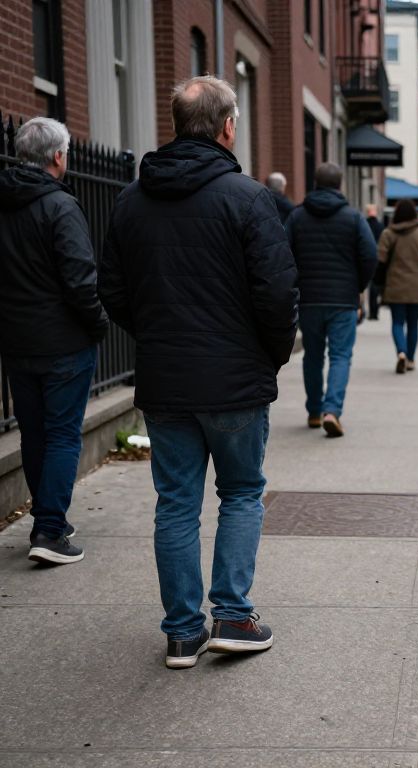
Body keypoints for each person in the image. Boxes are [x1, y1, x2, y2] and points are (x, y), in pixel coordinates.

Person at [99, 76, 298, 669]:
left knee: (176, 502)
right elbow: (278, 292)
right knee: (240, 492)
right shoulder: (247, 197)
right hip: (234, 379)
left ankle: (183, 632)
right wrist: (271, 354)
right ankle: (233, 616)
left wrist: (158, 337)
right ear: (226, 127)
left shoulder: (131, 201)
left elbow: (113, 290)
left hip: (168, 378)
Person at [0, 117, 108, 565]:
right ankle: (49, 529)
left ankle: (51, 521)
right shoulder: (60, 207)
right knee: (63, 434)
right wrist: (99, 322)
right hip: (64, 341)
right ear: (59, 156)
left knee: (35, 433)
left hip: (16, 340)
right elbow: (81, 279)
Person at [285, 162, 377, 437]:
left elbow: (282, 254)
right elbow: (370, 256)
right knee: (340, 356)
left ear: (315, 183)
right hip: (343, 300)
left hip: (309, 299)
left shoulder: (297, 217)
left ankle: (314, 411)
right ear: (340, 185)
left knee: (312, 356)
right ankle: (332, 411)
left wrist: (295, 287)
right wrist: (359, 287)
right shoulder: (353, 218)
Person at [377, 199, 418, 374]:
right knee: (413, 324)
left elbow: (380, 260)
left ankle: (401, 352)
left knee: (397, 322)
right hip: (416, 285)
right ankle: (410, 359)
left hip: (395, 285)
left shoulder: (388, 234)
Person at [364, 204, 385, 320]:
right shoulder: (381, 226)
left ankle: (370, 311)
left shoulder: (364, 224)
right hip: (378, 259)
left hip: (366, 258)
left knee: (367, 286)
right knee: (375, 287)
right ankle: (375, 311)